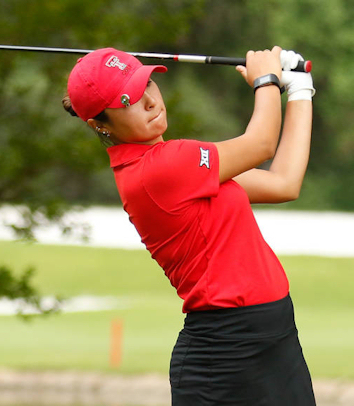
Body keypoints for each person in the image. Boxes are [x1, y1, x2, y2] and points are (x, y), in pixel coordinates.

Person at [63, 46, 316, 405]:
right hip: (226, 354)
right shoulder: (160, 169)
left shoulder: (180, 167)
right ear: (100, 124)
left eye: (147, 84)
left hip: (272, 337)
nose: (150, 101)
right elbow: (260, 144)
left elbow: (284, 183)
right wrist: (266, 79)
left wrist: (300, 90)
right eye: (128, 100)